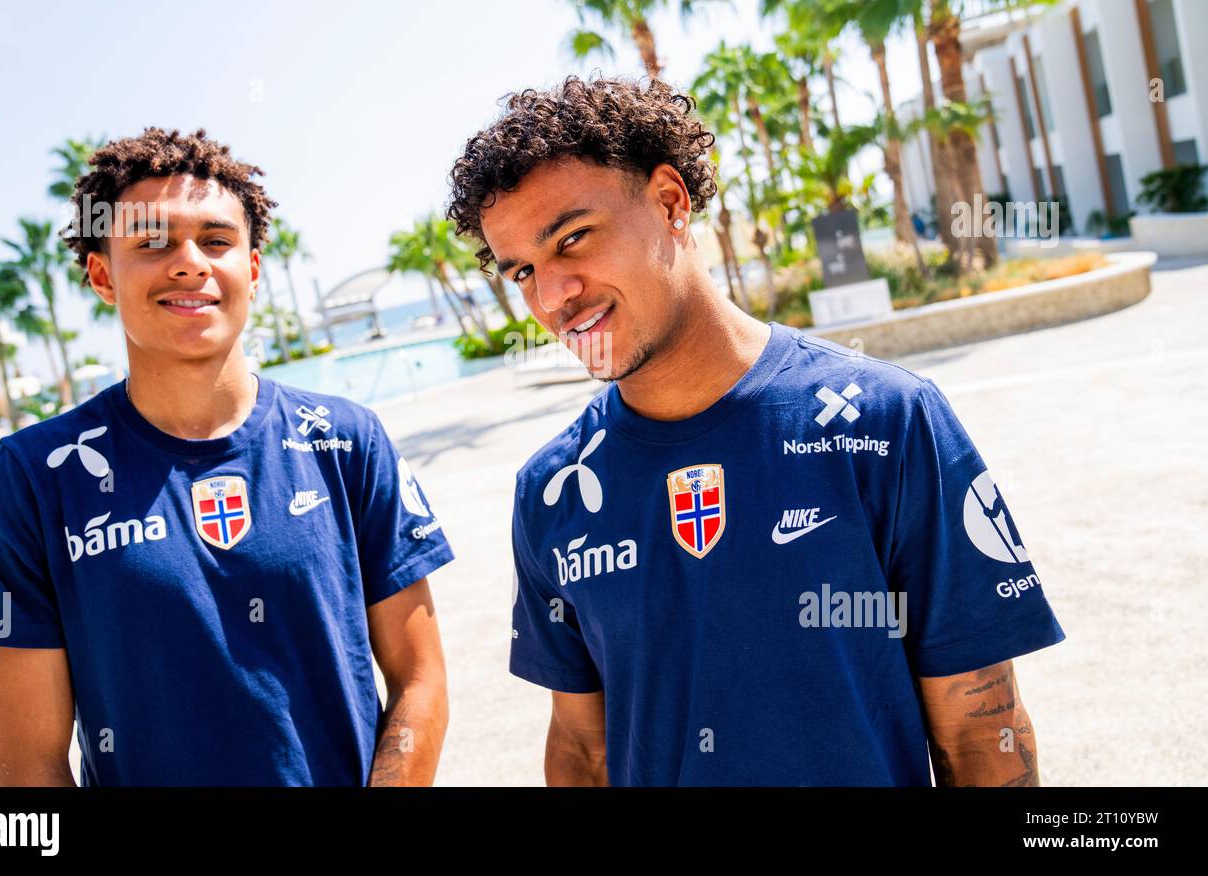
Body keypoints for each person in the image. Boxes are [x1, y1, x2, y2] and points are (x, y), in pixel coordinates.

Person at [447, 76, 1065, 786]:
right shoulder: (553, 490)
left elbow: (979, 730)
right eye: (523, 270)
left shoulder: (885, 421)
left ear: (671, 202)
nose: (552, 296)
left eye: (574, 238)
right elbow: (585, 751)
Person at [0, 128, 454, 786]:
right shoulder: (25, 481)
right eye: (153, 242)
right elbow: (26, 773)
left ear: (253, 268)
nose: (190, 263)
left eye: (216, 241)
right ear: (102, 274)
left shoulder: (349, 439)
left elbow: (421, 679)